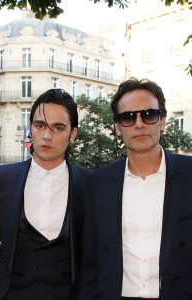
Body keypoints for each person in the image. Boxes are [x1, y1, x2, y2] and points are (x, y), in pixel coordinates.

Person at [78, 77, 192, 300]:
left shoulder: (190, 175)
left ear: (163, 121)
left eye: (148, 115)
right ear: (118, 127)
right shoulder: (96, 184)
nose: (139, 124)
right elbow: (88, 261)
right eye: (128, 117)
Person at [0, 89, 90, 300]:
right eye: (40, 126)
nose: (47, 136)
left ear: (72, 134)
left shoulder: (90, 183)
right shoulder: (3, 178)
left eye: (58, 127)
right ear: (30, 129)